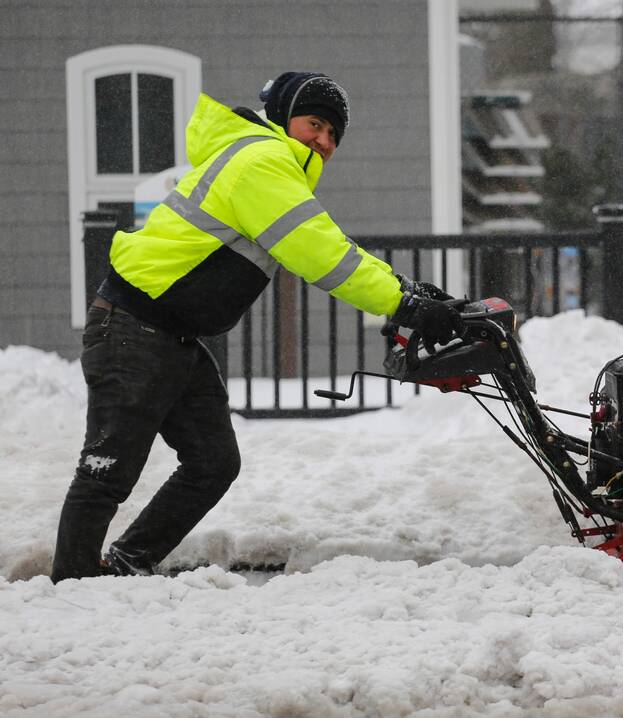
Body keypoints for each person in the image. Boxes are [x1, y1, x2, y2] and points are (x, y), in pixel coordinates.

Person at [50, 72, 460, 582]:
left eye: (334, 134)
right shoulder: (261, 163)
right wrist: (405, 305)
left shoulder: (270, 167)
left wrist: (405, 290)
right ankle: (72, 586)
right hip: (135, 326)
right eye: (316, 124)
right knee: (108, 469)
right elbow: (324, 256)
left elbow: (333, 246)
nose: (325, 141)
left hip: (170, 334)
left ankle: (128, 562)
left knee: (212, 463)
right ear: (285, 116)